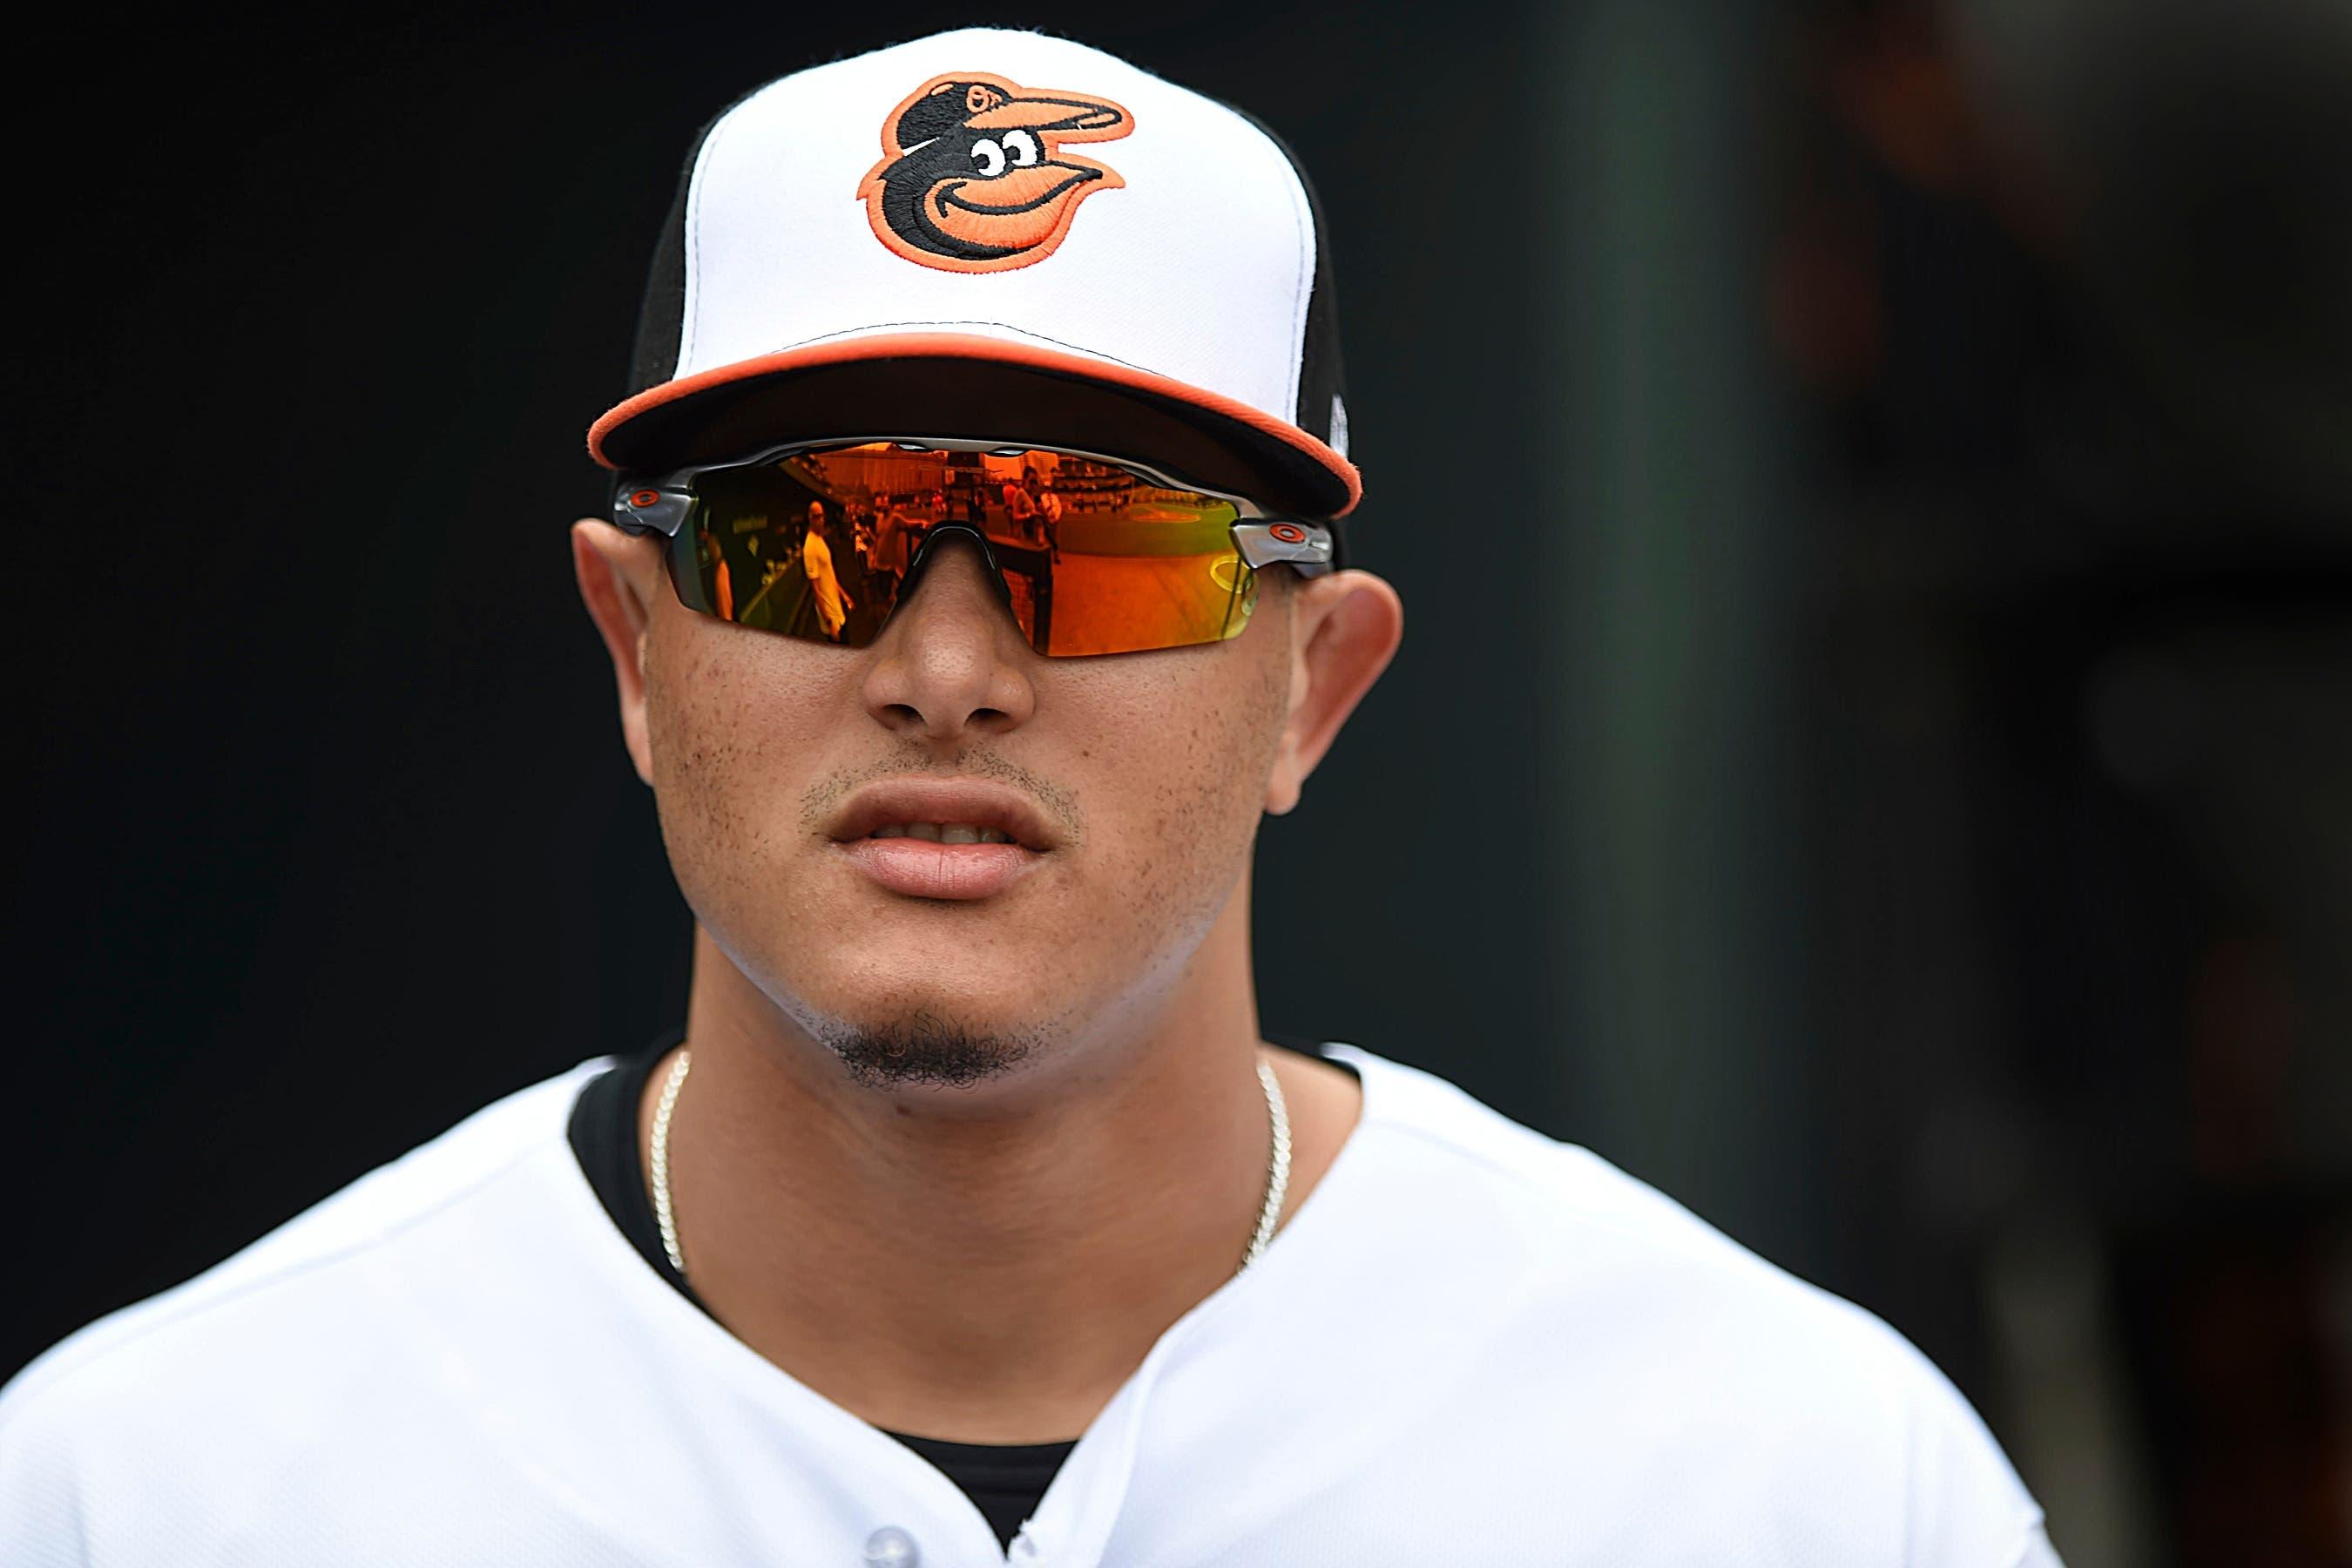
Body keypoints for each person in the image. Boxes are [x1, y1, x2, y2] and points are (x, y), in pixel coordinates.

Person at [0, 27, 2061, 1568]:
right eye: (812, 534)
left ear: (1311, 689)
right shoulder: (154, 1489)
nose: (948, 667)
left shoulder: (1788, 1485)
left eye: (1108, 545)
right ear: (636, 647)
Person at [801, 498, 852, 639]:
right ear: (810, 518)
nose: (821, 520)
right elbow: (816, 590)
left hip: (838, 611)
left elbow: (829, 574)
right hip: (832, 620)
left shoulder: (819, 539)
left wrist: (843, 594)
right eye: (817, 517)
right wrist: (829, 622)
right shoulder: (810, 547)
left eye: (822, 515)